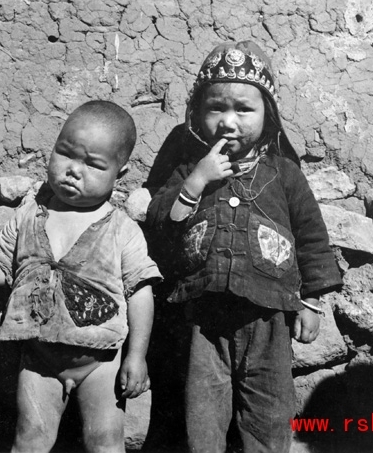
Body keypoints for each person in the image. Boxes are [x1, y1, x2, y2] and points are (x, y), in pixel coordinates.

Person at [146, 40, 343, 453]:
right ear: (198, 113)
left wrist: (313, 301)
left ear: (266, 114)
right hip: (203, 315)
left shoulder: (284, 174)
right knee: (201, 414)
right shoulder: (187, 169)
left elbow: (311, 235)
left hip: (269, 315)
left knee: (269, 413)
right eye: (216, 108)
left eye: (243, 109)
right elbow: (161, 222)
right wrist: (197, 181)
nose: (228, 122)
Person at [0, 101, 162, 453]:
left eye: (93, 164)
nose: (73, 171)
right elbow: (4, 268)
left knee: (105, 441)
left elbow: (140, 293)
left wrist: (136, 357)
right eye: (65, 154)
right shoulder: (29, 215)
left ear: (118, 175)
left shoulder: (122, 230)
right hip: (38, 360)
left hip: (101, 363)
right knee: (30, 439)